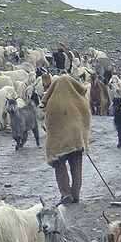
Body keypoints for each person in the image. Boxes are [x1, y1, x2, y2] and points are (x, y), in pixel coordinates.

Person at [40, 75, 91, 204]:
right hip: (76, 138)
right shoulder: (80, 101)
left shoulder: (53, 101)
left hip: (59, 140)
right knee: (76, 167)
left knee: (60, 165)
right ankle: (75, 194)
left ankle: (65, 193)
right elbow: (86, 120)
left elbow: (47, 118)